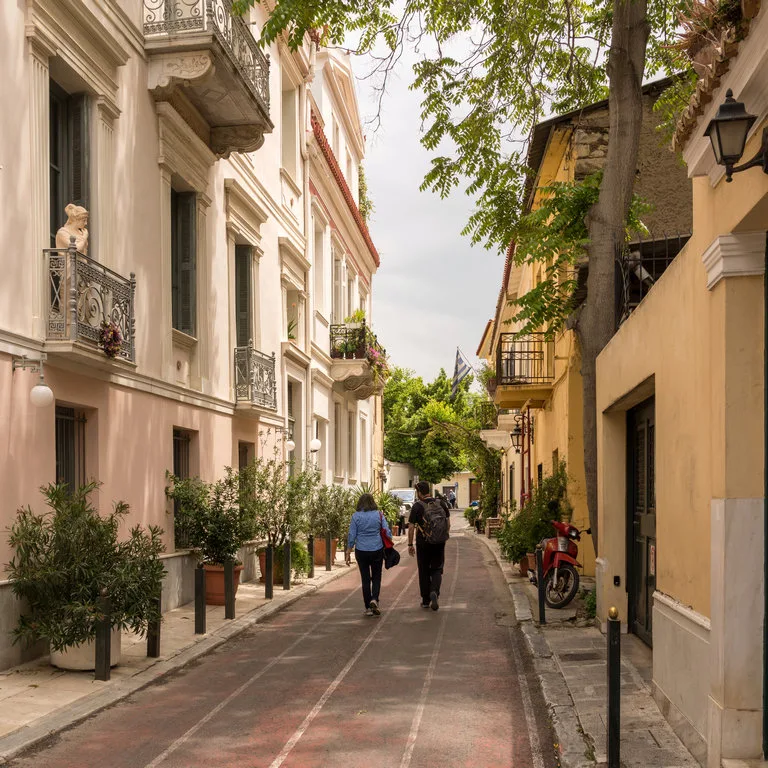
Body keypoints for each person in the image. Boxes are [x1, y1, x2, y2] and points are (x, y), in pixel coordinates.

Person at [346, 492, 391, 616]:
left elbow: (352, 534)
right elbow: (387, 531)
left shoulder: (356, 516)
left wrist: (348, 550)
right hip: (377, 549)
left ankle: (367, 607)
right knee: (377, 576)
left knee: (365, 579)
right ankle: (374, 599)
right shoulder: (379, 515)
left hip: (361, 550)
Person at [408, 481, 450, 611]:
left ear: (420, 493)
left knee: (424, 570)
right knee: (437, 568)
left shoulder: (417, 506)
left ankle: (426, 600)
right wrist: (443, 536)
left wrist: (410, 544)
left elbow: (410, 527)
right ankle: (434, 591)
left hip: (423, 543)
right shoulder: (441, 503)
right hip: (439, 542)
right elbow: (447, 523)